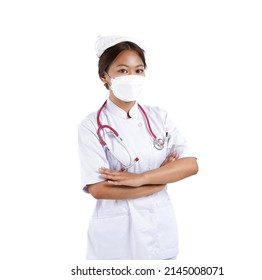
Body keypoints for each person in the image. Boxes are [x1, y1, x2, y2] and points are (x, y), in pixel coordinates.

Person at [78, 35, 198, 260]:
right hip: (116, 240)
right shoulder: (91, 126)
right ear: (105, 76)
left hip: (159, 232)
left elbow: (190, 164)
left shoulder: (159, 117)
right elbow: (98, 189)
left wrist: (138, 178)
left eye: (138, 70)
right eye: (123, 71)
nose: (132, 77)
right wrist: (159, 181)